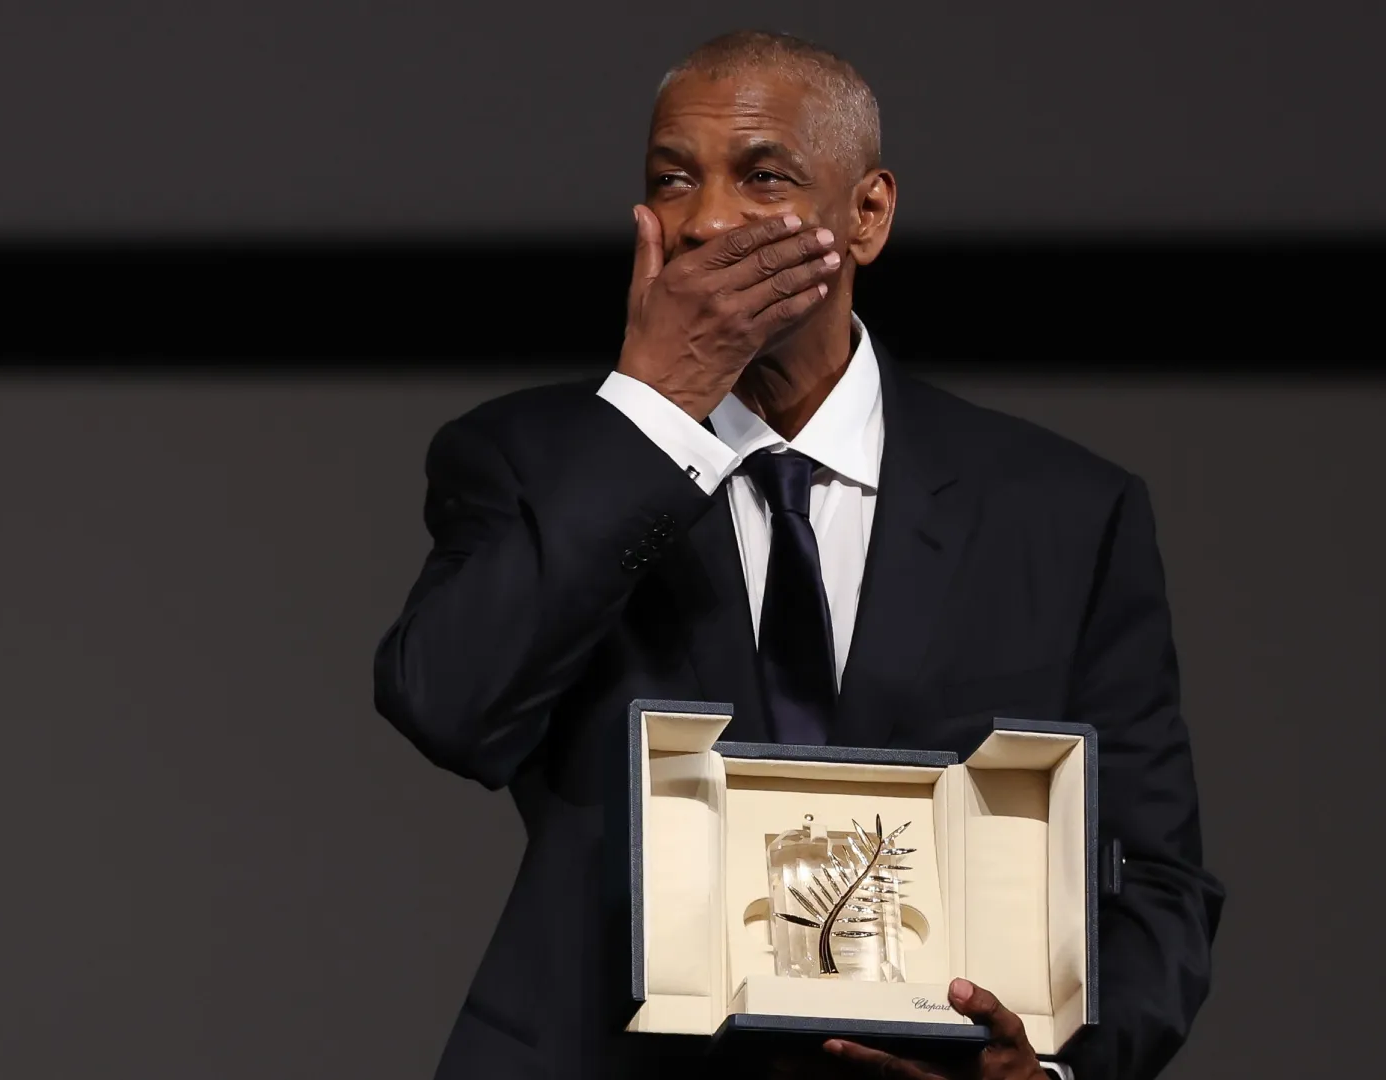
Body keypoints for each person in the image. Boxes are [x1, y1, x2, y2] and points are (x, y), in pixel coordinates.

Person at [374, 30, 1223, 1080]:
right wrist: (657, 415)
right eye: (671, 181)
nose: (709, 220)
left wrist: (1050, 1068)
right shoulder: (534, 458)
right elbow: (450, 708)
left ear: (866, 215)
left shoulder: (1060, 510)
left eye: (762, 176)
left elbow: (1153, 876)